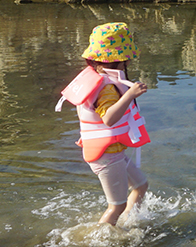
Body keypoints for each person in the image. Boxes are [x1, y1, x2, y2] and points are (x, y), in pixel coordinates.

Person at [56, 22, 151, 226]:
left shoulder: (99, 78)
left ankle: (127, 224)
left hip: (113, 152)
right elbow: (108, 118)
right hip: (107, 156)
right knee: (116, 206)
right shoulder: (106, 88)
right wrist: (130, 95)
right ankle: (98, 239)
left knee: (141, 186)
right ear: (121, 60)